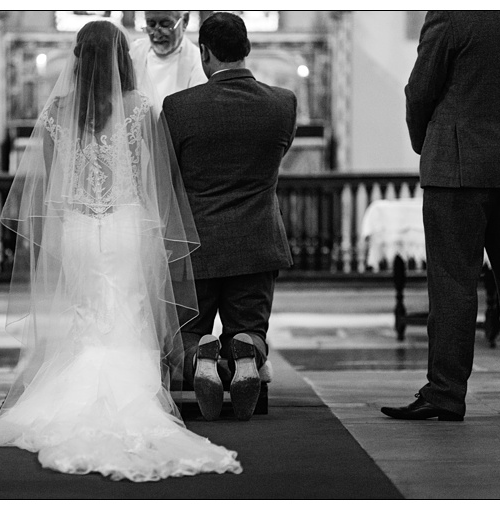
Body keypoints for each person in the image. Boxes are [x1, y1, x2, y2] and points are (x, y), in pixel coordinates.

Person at [0, 20, 240, 482]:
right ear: (121, 59)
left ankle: (72, 393)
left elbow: (51, 183)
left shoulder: (56, 111)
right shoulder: (140, 107)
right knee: (129, 311)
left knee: (87, 311)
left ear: (77, 58)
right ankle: (137, 396)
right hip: (127, 225)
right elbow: (154, 181)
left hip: (75, 226)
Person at [384, 11, 500, 421]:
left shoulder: (453, 12)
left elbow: (420, 90)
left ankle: (445, 391)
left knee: (452, 284)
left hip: (458, 167)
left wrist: (427, 143)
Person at [163, 12, 297, 421]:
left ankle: (202, 361)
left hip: (197, 246)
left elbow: (168, 175)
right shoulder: (282, 103)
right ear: (247, 49)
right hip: (257, 242)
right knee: (251, 328)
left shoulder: (179, 108)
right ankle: (245, 357)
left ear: (204, 53)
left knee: (186, 335)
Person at [130, 11, 206, 114]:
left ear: (185, 21)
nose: (156, 34)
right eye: (151, 25)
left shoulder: (198, 61)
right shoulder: (134, 52)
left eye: (165, 25)